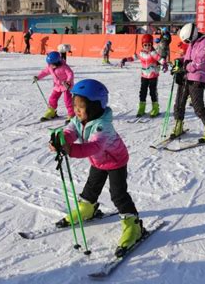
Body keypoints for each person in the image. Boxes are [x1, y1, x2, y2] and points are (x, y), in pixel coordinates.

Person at [51, 79, 143, 257]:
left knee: (118, 194)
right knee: (92, 186)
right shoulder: (78, 120)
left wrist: (71, 149)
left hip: (116, 161)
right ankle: (87, 207)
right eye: (75, 104)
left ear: (94, 107)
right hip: (98, 162)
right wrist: (61, 139)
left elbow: (93, 147)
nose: (76, 110)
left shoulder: (103, 126)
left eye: (81, 106)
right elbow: (71, 131)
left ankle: (133, 224)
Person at [171, 22, 205, 142]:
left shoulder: (204, 43)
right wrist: (179, 62)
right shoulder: (193, 43)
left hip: (196, 78)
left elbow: (200, 62)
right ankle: (178, 125)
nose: (187, 43)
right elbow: (188, 59)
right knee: (179, 103)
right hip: (185, 77)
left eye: (187, 41)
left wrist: (185, 66)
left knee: (198, 107)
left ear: (193, 35)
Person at [33, 51, 75, 123]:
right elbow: (45, 72)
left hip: (66, 86)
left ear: (57, 62)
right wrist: (38, 77)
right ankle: (52, 111)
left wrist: (68, 82)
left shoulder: (64, 67)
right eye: (49, 64)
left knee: (67, 100)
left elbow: (70, 74)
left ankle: (71, 114)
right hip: (57, 85)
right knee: (53, 98)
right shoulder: (50, 67)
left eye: (52, 64)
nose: (50, 65)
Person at [136, 34, 167, 118]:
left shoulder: (153, 53)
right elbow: (134, 56)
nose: (147, 46)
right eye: (145, 45)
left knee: (152, 92)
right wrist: (125, 59)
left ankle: (155, 108)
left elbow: (160, 59)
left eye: (149, 44)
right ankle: (141, 108)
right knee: (142, 92)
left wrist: (164, 63)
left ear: (151, 44)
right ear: (142, 45)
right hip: (144, 76)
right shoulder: (141, 53)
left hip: (153, 76)